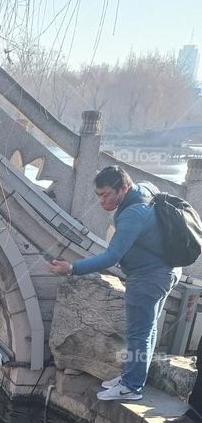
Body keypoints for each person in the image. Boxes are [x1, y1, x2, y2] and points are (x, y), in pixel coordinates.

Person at [50, 164, 178, 402]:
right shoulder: (144, 191)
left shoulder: (132, 213)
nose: (101, 200)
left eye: (105, 194)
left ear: (124, 188)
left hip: (149, 277)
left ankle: (131, 387)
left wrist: (72, 268)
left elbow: (111, 256)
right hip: (165, 272)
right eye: (98, 195)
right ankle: (131, 378)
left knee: (139, 333)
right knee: (147, 330)